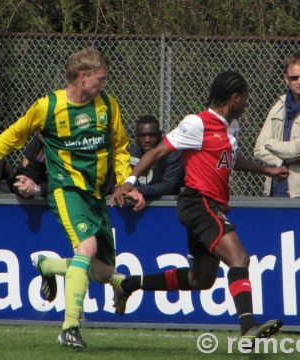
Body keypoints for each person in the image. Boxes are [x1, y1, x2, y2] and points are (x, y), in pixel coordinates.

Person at [0, 47, 144, 350]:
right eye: (100, 79)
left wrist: (127, 182)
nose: (104, 84)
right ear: (82, 76)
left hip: (97, 195)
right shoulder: (48, 107)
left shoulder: (108, 105)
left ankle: (48, 267)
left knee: (102, 274)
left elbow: (120, 145)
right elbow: (16, 133)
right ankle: (70, 327)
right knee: (85, 247)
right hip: (66, 189)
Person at [109, 71, 289, 342]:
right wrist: (130, 181)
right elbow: (158, 151)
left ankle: (129, 284)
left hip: (210, 205)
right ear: (235, 98)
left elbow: (230, 159)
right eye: (245, 99)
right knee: (239, 259)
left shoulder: (232, 126)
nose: (247, 104)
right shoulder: (197, 123)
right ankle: (248, 327)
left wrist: (266, 170)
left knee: (200, 280)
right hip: (198, 202)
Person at [254, 52, 300, 197]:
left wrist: (269, 143)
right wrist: (278, 163)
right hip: (274, 190)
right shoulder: (279, 106)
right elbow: (257, 149)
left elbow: (296, 151)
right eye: (294, 78)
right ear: (286, 79)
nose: (299, 82)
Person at [128, 114, 184, 198]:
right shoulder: (129, 154)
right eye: (143, 135)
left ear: (160, 134)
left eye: (152, 135)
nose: (147, 140)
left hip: (166, 206)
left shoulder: (172, 153)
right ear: (136, 136)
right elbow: (117, 185)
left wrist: (137, 190)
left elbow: (169, 186)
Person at [13, 134, 48, 198]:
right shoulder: (36, 145)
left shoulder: (70, 145)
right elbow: (23, 175)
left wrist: (40, 189)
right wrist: (25, 187)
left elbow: (69, 184)